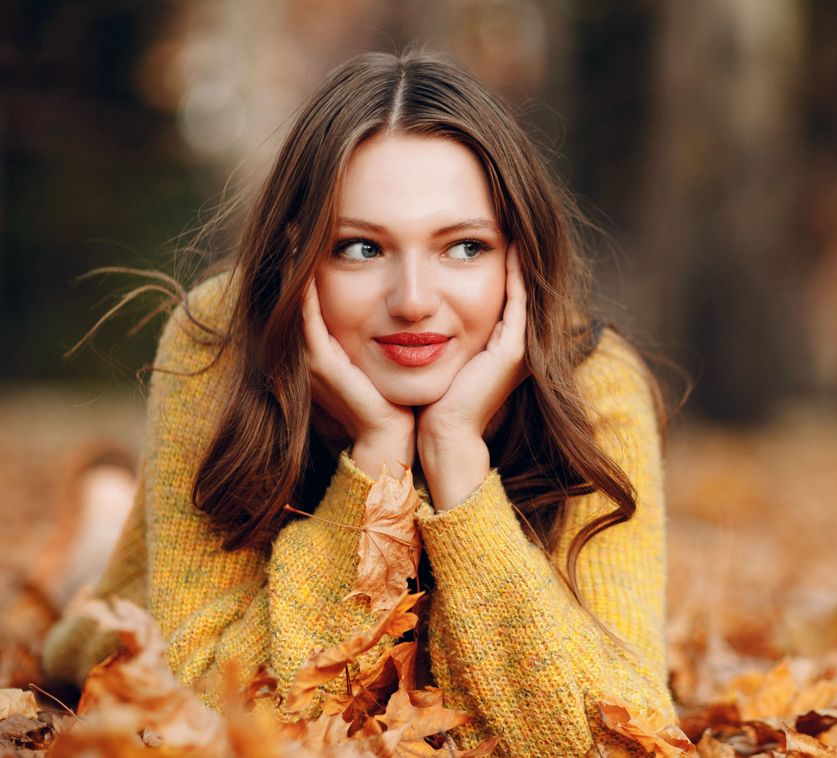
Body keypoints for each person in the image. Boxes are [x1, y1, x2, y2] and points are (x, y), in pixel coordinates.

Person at [41, 50, 675, 755]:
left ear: (516, 260)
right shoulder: (218, 341)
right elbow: (219, 712)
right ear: (298, 255)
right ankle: (106, 518)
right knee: (92, 599)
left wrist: (457, 457)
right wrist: (376, 463)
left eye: (463, 248)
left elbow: (622, 736)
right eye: (360, 249)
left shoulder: (591, 382)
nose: (411, 301)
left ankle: (109, 498)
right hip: (149, 599)